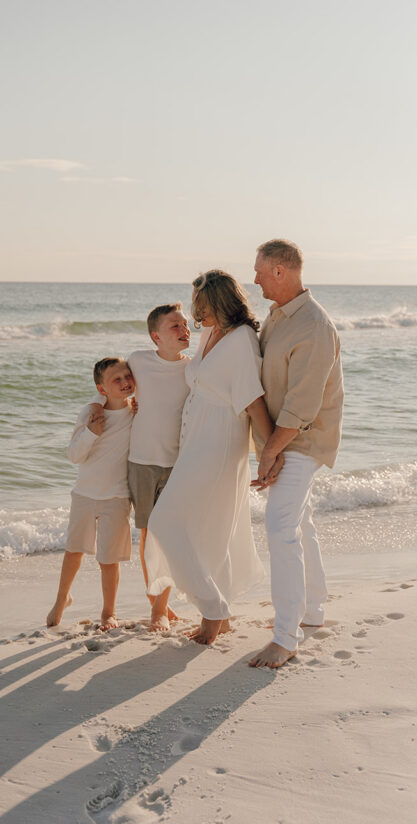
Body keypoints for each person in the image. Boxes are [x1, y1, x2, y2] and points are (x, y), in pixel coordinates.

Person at [145, 270, 280, 645]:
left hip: (219, 441)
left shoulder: (240, 340)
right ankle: (220, 614)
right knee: (213, 528)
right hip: (196, 441)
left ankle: (213, 610)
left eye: (201, 305)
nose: (195, 311)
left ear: (220, 301)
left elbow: (254, 402)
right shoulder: (210, 333)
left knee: (165, 521)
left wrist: (268, 454)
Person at [248, 239, 344, 670]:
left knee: (279, 524)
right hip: (283, 439)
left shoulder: (313, 325)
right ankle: (312, 610)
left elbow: (303, 406)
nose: (255, 279)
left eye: (260, 271)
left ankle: (285, 638)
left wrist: (271, 451)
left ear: (281, 271)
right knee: (299, 521)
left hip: (301, 439)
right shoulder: (278, 316)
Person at [46, 357, 135, 631]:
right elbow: (74, 455)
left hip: (118, 497)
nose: (124, 382)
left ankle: (108, 612)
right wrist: (92, 432)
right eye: (115, 380)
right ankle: (62, 599)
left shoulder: (138, 410)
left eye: (126, 376)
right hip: (85, 493)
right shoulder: (91, 413)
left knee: (108, 559)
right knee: (74, 551)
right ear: (102, 388)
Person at [127, 303, 191, 632]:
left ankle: (160, 609)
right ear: (156, 336)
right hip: (140, 462)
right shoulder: (138, 361)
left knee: (165, 535)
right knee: (147, 535)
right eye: (175, 327)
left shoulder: (193, 368)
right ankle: (157, 602)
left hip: (177, 464)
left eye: (185, 324)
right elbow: (114, 388)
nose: (185, 330)